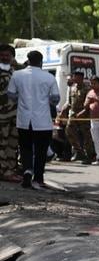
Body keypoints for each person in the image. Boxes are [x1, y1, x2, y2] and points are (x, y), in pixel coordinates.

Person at [11, 51, 61, 188]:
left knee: (25, 147)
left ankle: (27, 170)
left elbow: (11, 95)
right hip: (42, 120)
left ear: (28, 60)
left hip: (23, 119)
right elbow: (56, 98)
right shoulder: (49, 77)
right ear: (41, 61)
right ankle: (38, 178)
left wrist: (21, 99)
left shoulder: (17, 75)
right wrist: (46, 101)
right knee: (41, 150)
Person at [0, 44, 17, 182]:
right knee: (1, 144)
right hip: (2, 115)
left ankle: (10, 170)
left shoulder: (15, 71)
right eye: (2, 55)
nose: (5, 57)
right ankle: (4, 171)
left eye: (8, 55)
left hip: (15, 115)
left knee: (12, 144)